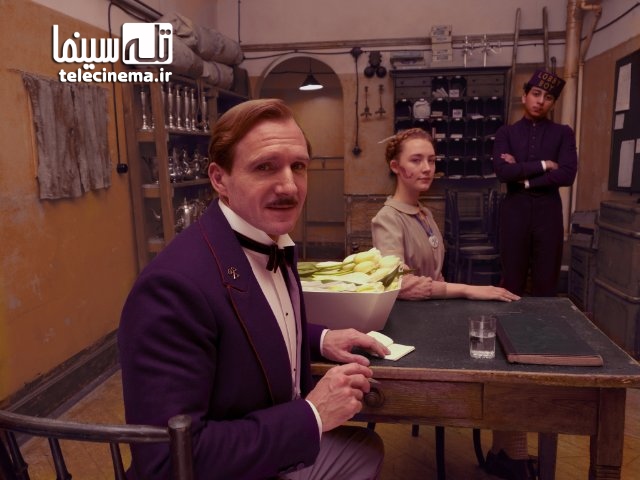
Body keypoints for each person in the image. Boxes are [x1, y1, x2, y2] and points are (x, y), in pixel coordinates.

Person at [118, 99, 390, 479]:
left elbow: (250, 319)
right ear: (219, 179)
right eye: (265, 167)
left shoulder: (268, 239)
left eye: (298, 166)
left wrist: (319, 337)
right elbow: (169, 462)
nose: (289, 186)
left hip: (265, 440)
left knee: (364, 450)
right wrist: (312, 415)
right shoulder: (171, 289)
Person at [371, 127, 520, 303]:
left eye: (431, 160)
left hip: (432, 310)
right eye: (416, 160)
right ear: (395, 167)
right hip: (407, 314)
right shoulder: (387, 219)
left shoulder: (425, 214)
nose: (427, 168)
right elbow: (396, 281)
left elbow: (435, 276)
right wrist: (466, 290)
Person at [492, 69, 578, 297]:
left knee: (547, 281)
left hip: (548, 213)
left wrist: (524, 177)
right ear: (525, 96)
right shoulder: (506, 133)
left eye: (548, 97)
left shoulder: (563, 133)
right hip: (514, 212)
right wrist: (544, 165)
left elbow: (567, 175)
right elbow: (503, 172)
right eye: (536, 94)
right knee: (512, 281)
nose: (540, 101)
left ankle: (544, 322)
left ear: (553, 103)